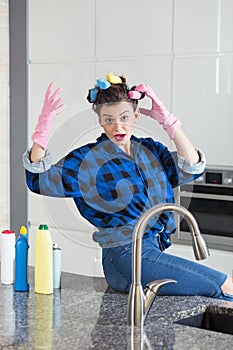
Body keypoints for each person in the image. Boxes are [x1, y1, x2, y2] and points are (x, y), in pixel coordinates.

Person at [23, 72, 233, 301]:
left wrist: (169, 122)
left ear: (136, 115)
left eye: (124, 117)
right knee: (226, 286)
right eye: (109, 119)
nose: (117, 126)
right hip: (123, 256)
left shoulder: (152, 150)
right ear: (100, 121)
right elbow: (40, 181)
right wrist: (42, 131)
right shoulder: (89, 159)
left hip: (151, 250)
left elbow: (191, 167)